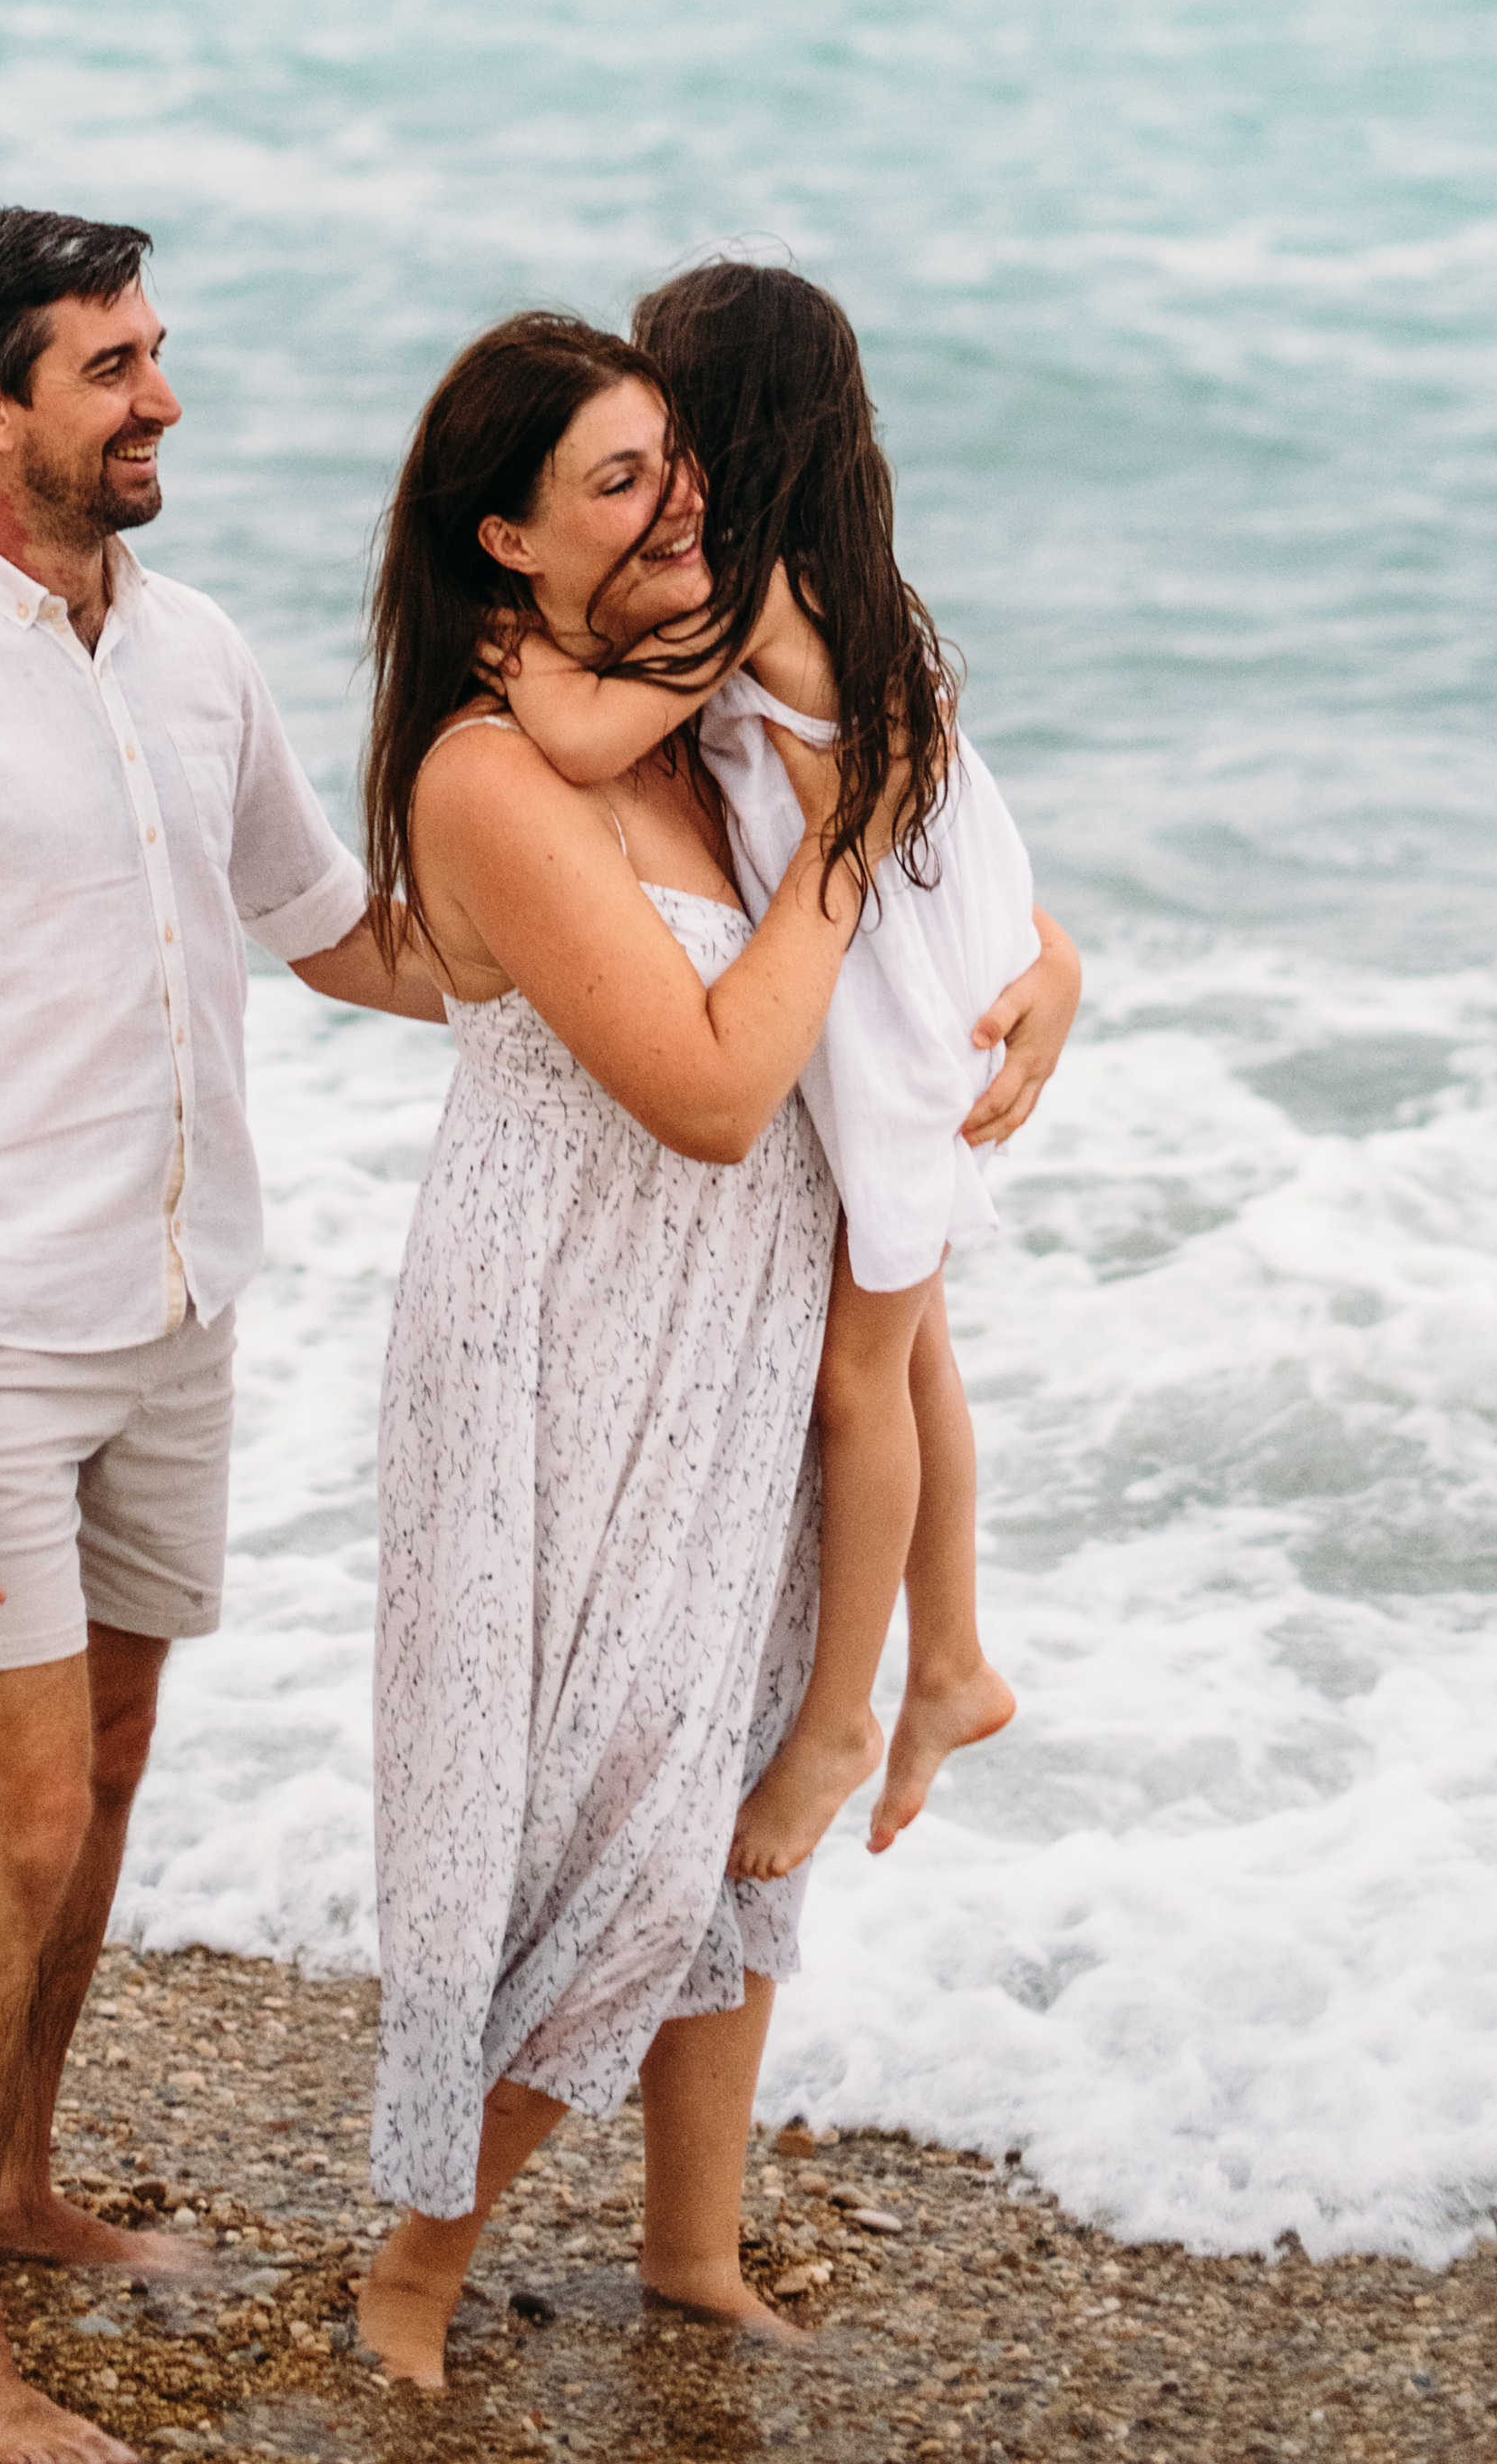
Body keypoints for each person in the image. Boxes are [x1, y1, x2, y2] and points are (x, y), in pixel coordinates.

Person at [0, 207, 442, 2464]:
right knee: (18, 1819)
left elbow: (327, 928)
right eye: (110, 366)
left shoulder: (196, 648)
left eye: (160, 352)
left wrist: (607, 970)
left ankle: (27, 2185)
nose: (160, 398)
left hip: (178, 1305)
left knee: (117, 1771)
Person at [350, 312, 1078, 2390]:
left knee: (750, 1759)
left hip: (742, 1316)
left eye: (676, 465)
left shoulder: (708, 722)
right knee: (614, 1809)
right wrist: (849, 861)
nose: (673, 505)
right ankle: (412, 2267)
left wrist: (1050, 966)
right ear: (503, 543)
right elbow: (711, 1083)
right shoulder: (493, 772)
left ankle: (688, 2241)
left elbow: (955, 897)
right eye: (614, 484)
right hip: (560, 1336)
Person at [492, 254, 1080, 1880]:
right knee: (917, 1339)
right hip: (930, 949)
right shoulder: (846, 575)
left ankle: (842, 1712)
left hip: (894, 1008)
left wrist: (514, 662)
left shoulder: (745, 592)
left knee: (858, 1374)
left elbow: (587, 743)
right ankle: (952, 1657)